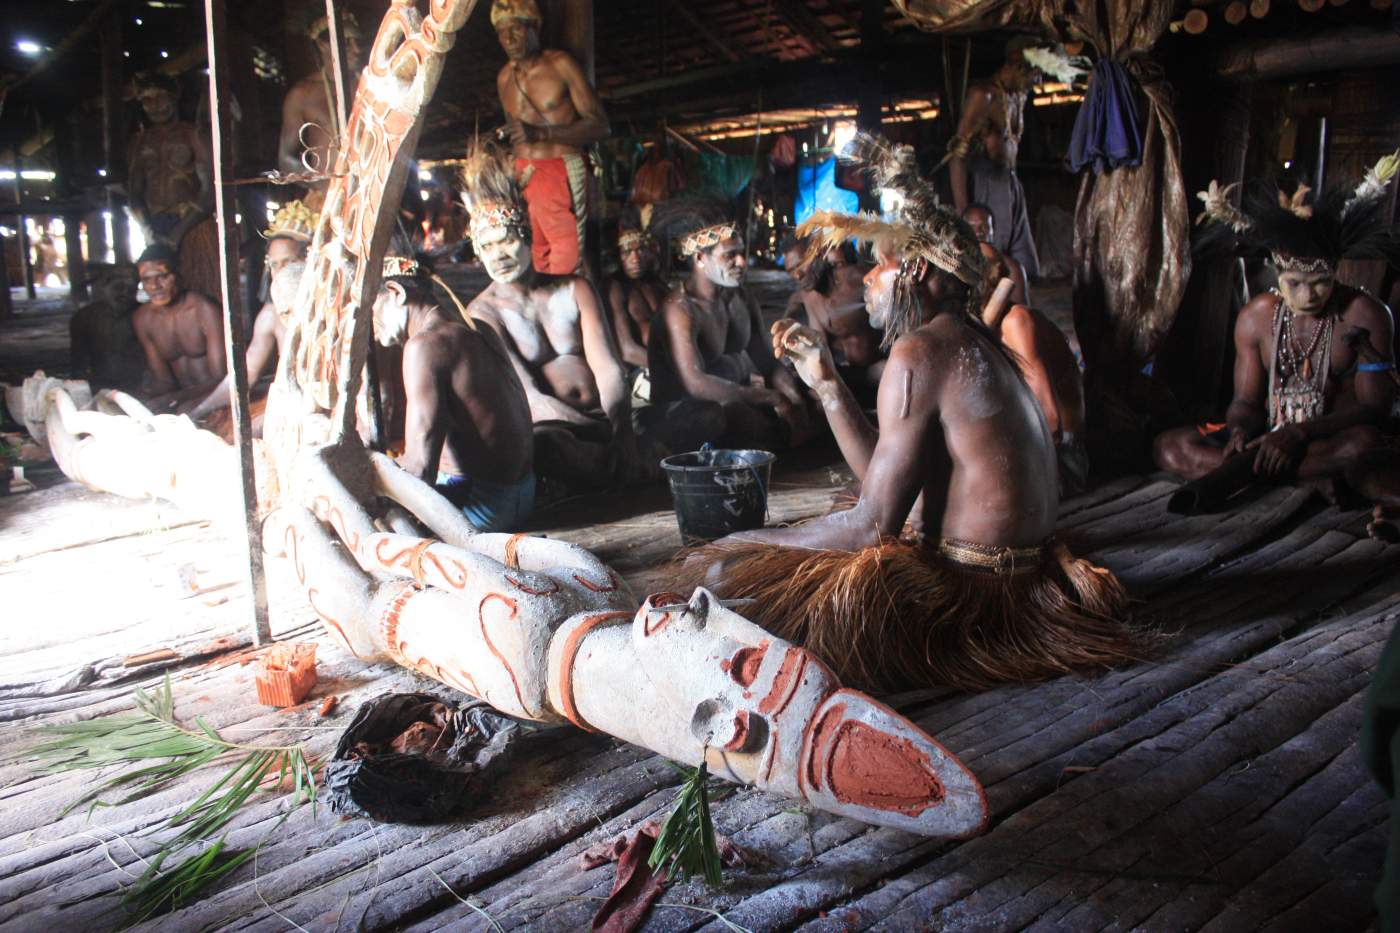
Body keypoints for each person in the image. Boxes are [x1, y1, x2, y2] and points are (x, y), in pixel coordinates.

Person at [669, 134, 1143, 694]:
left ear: (915, 274)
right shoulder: (970, 341)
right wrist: (825, 383)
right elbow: (886, 487)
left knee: (727, 576)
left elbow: (873, 524)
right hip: (1012, 583)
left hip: (968, 600)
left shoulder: (921, 352)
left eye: (879, 267)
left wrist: (741, 542)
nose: (867, 281)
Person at [1153, 165, 1398, 486]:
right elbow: (1245, 402)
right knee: (1170, 448)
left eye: (1320, 283)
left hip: (1328, 439)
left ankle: (1251, 473)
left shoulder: (1365, 314)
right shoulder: (1257, 317)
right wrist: (1240, 429)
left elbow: (1374, 409)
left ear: (1335, 275)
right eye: (1294, 283)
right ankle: (1289, 473)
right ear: (1277, 276)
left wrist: (1298, 433)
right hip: (1267, 437)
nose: (1308, 295)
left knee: (1365, 445)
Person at [460, 143, 643, 487]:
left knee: (700, 414)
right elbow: (530, 398)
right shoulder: (483, 314)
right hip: (553, 425)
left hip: (605, 415)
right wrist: (603, 432)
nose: (498, 255)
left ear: (527, 239)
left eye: (506, 241)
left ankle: (621, 463)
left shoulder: (575, 289)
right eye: (486, 247)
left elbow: (609, 368)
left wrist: (622, 429)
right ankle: (626, 467)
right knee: (550, 447)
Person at [373, 255, 537, 532]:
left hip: (484, 507)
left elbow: (420, 470)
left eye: (371, 311)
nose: (373, 329)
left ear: (395, 293)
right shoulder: (476, 327)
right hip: (524, 492)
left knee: (371, 516)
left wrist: (370, 480)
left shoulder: (424, 345)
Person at [648, 196, 811, 449]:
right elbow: (694, 383)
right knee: (730, 415)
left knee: (810, 397)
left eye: (741, 253)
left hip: (737, 397)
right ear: (701, 258)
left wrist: (793, 398)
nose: (742, 263)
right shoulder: (680, 310)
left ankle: (785, 436)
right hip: (682, 412)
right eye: (730, 255)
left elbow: (767, 360)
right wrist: (769, 398)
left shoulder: (741, 297)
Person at [492, 0, 609, 275]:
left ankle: (575, 310)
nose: (509, 38)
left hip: (560, 168)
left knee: (567, 258)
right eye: (502, 31)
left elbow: (601, 126)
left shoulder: (560, 65)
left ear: (534, 27)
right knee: (535, 253)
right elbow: (516, 134)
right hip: (525, 174)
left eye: (516, 29)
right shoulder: (504, 77)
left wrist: (542, 133)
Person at [187, 201, 317, 425]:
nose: (281, 271)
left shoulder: (336, 310)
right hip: (295, 403)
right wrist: (199, 411)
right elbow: (247, 371)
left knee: (260, 427)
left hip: (327, 407)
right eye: (275, 264)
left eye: (290, 261)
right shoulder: (271, 315)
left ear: (311, 259)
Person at [979, 244, 1088, 497]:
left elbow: (1051, 423)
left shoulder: (1017, 322)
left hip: (1062, 458)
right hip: (1034, 446)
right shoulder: (987, 323)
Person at [947, 38, 1054, 279]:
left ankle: (1021, 307)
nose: (1038, 81)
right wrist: (964, 213)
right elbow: (957, 158)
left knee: (1025, 264)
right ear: (1018, 64)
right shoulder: (983, 96)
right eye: (1035, 73)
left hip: (1011, 183)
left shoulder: (1018, 96)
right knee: (994, 263)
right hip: (988, 184)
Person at [127, 72, 220, 303]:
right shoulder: (139, 142)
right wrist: (148, 229)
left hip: (193, 223)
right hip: (156, 225)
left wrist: (179, 232)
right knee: (163, 293)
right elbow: (134, 193)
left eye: (160, 98)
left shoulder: (193, 135)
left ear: (174, 98)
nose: (155, 106)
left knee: (201, 293)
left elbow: (210, 189)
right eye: (147, 100)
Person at [780, 233, 882, 407]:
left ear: (818, 255)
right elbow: (821, 348)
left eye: (801, 265)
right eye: (791, 271)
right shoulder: (809, 297)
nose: (797, 275)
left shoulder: (859, 279)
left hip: (881, 372)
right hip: (853, 375)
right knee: (790, 383)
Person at [130, 244, 227, 410]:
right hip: (179, 399)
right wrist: (142, 397)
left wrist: (176, 398)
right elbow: (164, 380)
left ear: (178, 275)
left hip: (216, 397)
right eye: (146, 279)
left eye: (162, 276)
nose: (154, 286)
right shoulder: (143, 318)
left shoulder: (205, 310)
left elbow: (222, 379)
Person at [279, 10, 365, 188]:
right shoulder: (302, 94)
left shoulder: (369, 86)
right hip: (328, 202)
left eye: (358, 42)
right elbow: (285, 159)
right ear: (323, 45)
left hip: (370, 194)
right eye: (347, 43)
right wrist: (322, 183)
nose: (356, 50)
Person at [606, 206, 666, 370]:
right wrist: (669, 369)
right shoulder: (615, 288)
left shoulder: (655, 283)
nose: (635, 258)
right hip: (640, 367)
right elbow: (626, 350)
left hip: (668, 361)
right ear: (618, 256)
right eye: (627, 252)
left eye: (640, 250)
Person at [70, 263, 144, 392]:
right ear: (104, 287)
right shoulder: (84, 317)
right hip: (99, 386)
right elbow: (79, 362)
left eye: (131, 290)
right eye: (118, 288)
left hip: (138, 386)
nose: (125, 294)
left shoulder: (144, 315)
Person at [962, 203, 1029, 305]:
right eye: (971, 227)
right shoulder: (952, 266)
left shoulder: (1012, 268)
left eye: (984, 226)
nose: (978, 232)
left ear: (993, 231)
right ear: (960, 232)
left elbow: (1021, 311)